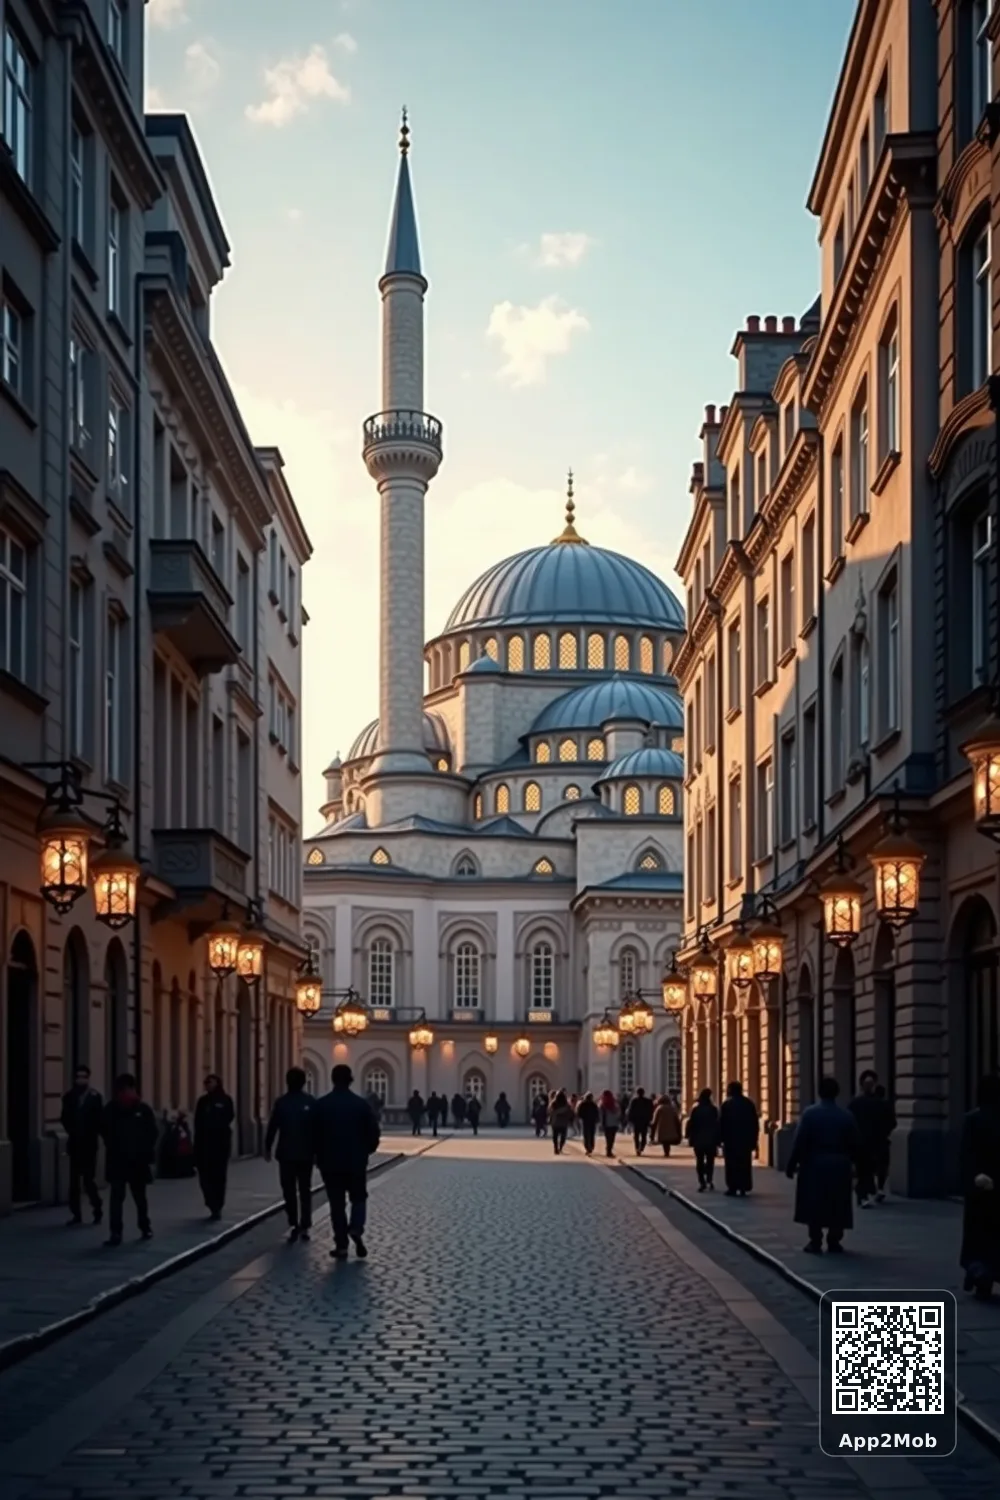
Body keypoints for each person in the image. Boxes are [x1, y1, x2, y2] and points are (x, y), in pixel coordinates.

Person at [313, 1063, 381, 1259]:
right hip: (355, 1161)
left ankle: (341, 1245)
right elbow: (373, 1132)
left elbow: (313, 1135)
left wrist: (317, 1156)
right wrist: (366, 1151)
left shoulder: (321, 1105)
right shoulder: (361, 1105)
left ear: (333, 1080)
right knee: (359, 1197)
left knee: (336, 1204)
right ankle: (357, 1227)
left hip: (330, 1162)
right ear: (350, 1080)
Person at [786, 1075, 860, 1254]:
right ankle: (834, 1240)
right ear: (837, 1093)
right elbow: (855, 1143)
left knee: (814, 1202)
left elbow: (800, 1141)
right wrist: (857, 1166)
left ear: (820, 1092)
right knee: (838, 1202)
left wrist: (792, 1164)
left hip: (814, 1164)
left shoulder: (810, 1114)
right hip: (839, 1164)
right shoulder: (846, 1116)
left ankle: (815, 1240)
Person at [101, 1073, 157, 1247]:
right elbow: (104, 1130)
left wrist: (145, 1151)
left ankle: (142, 1226)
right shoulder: (112, 1109)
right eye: (123, 1089)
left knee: (138, 1197)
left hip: (135, 1161)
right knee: (119, 1198)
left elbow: (152, 1133)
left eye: (128, 1088)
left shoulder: (142, 1109)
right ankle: (118, 1232)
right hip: (120, 1160)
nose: (126, 1092)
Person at [959, 1074, 1000, 1299]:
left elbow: (965, 1154)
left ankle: (977, 1270)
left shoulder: (973, 1119)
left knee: (977, 1232)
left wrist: (973, 1177)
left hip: (979, 1186)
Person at [264, 1067, 316, 1243]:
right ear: (303, 1082)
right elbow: (317, 1130)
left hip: (286, 1153)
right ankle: (305, 1223)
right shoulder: (310, 1102)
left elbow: (273, 1126)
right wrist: (318, 1151)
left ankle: (293, 1222)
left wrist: (267, 1147)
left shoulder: (281, 1103)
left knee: (289, 1190)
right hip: (305, 1154)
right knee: (305, 1190)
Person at [60, 1064, 104, 1226]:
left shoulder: (95, 1097)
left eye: (84, 1077)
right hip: (75, 1143)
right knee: (74, 1182)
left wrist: (93, 1131)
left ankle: (97, 1208)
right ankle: (76, 1214)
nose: (81, 1080)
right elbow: (64, 1117)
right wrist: (72, 1130)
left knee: (88, 1180)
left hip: (90, 1144)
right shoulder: (69, 1097)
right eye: (79, 1077)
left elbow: (100, 1119)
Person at [848, 1070, 896, 1208]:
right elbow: (892, 1123)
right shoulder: (882, 1104)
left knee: (864, 1170)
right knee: (876, 1167)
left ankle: (864, 1195)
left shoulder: (855, 1104)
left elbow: (849, 1122)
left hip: (862, 1143)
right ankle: (874, 1190)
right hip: (877, 1141)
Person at [194, 1073, 235, 1220]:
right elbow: (198, 1122)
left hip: (220, 1144)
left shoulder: (225, 1100)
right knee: (205, 1176)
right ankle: (210, 1201)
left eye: (210, 1082)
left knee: (219, 1176)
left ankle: (217, 1205)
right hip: (204, 1144)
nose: (207, 1085)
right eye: (206, 1083)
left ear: (217, 1083)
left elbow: (230, 1116)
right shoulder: (202, 1101)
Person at [719, 1080, 759, 1196]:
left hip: (730, 1140)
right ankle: (743, 1186)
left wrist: (720, 1139)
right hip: (745, 1140)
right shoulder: (748, 1104)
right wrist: (754, 1140)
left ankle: (732, 1187)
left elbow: (721, 1123)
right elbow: (754, 1123)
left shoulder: (727, 1104)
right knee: (744, 1164)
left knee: (731, 1165)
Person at [685, 1088, 720, 1191]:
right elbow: (717, 1125)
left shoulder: (696, 1110)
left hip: (698, 1140)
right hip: (711, 1140)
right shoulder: (713, 1109)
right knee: (710, 1161)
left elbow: (691, 1124)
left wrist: (689, 1137)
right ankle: (709, 1179)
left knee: (699, 1161)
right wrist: (718, 1139)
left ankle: (702, 1182)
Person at [872, 1084, 897, 1201]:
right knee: (883, 1164)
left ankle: (873, 1188)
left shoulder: (870, 1105)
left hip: (870, 1139)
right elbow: (893, 1123)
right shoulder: (887, 1106)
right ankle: (880, 1187)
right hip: (882, 1139)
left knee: (871, 1164)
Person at [650, 1092, 682, 1158]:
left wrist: (652, 1132)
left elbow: (655, 1120)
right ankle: (667, 1152)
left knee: (665, 1141)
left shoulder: (659, 1108)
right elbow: (676, 1119)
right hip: (671, 1127)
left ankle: (666, 1152)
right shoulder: (672, 1108)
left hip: (662, 1127)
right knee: (667, 1141)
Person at [628, 1088, 655, 1155]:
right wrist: (650, 1119)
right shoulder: (648, 1101)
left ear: (637, 1093)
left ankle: (637, 1148)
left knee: (636, 1136)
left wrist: (630, 1120)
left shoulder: (634, 1101)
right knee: (644, 1135)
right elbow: (651, 1111)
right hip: (644, 1121)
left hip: (636, 1121)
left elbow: (630, 1111)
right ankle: (642, 1147)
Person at [549, 1089, 575, 1154]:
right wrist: (570, 1119)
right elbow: (570, 1113)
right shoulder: (567, 1105)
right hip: (564, 1123)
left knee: (555, 1136)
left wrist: (550, 1119)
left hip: (555, 1122)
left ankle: (556, 1148)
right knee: (563, 1136)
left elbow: (550, 1112)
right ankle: (560, 1147)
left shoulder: (553, 1103)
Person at [599, 1089, 621, 1157]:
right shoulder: (615, 1104)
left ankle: (608, 1150)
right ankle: (609, 1150)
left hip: (606, 1124)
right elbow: (618, 1114)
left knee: (608, 1138)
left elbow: (600, 1115)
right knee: (612, 1138)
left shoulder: (602, 1104)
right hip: (614, 1124)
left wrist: (600, 1124)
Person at [577, 1091, 599, 1155]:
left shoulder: (583, 1104)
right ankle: (591, 1146)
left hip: (585, 1121)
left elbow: (579, 1113)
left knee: (586, 1135)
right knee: (592, 1134)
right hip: (592, 1121)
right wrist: (596, 1119)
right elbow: (597, 1113)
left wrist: (581, 1117)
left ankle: (587, 1147)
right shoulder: (593, 1104)